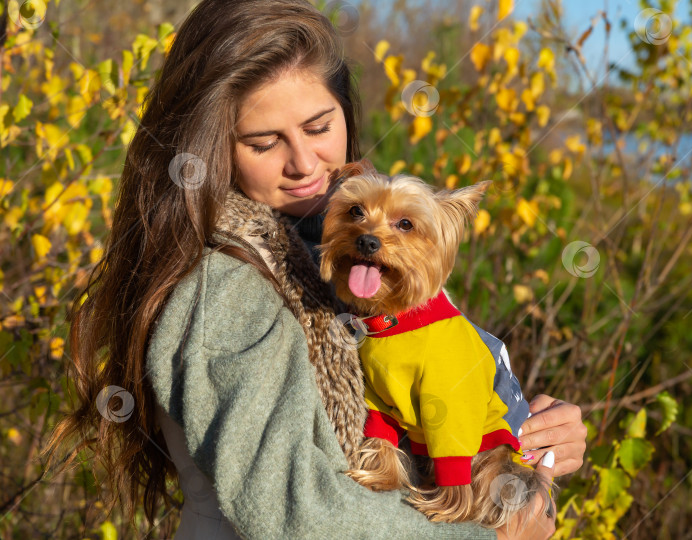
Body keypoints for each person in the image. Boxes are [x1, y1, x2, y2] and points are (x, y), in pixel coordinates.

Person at [47, 1, 587, 538]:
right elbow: (295, 511)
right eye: (263, 142)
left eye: (319, 126)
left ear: (347, 115)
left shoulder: (345, 264)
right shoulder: (229, 287)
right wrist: (494, 535)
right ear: (211, 149)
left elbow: (435, 385)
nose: (304, 164)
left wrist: (527, 443)